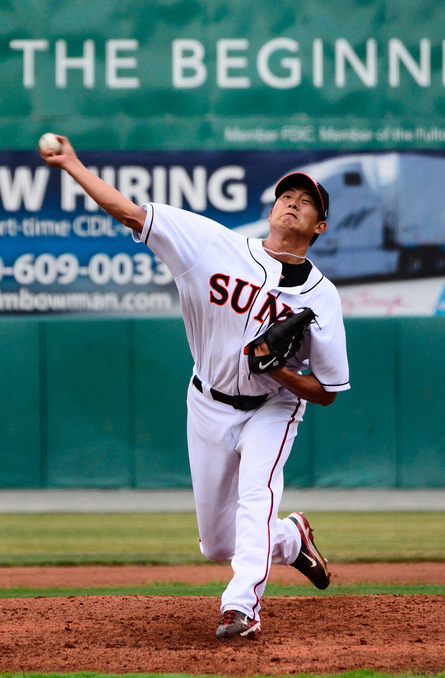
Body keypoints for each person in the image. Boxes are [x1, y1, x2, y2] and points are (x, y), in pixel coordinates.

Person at [40, 136, 350, 638]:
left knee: (257, 496)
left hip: (273, 406)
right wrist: (73, 164)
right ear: (272, 208)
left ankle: (241, 607)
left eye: (306, 201)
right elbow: (129, 213)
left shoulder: (323, 297)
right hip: (207, 402)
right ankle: (292, 539)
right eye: (286, 196)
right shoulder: (212, 245)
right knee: (217, 544)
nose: (293, 203)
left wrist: (280, 374)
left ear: (320, 226)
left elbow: (327, 390)